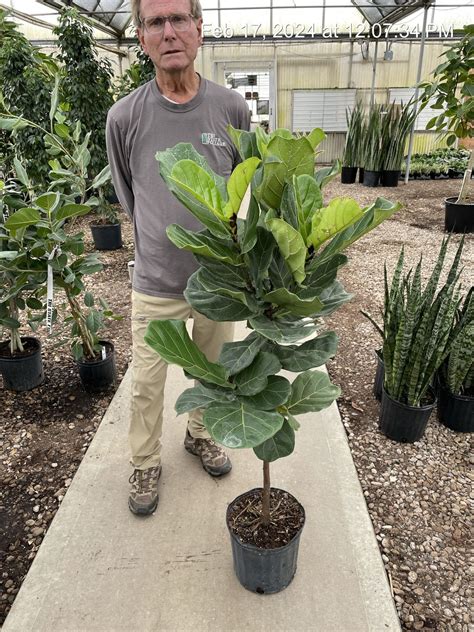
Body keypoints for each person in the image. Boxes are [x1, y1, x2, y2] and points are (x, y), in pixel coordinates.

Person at [106, 0, 251, 516]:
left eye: (179, 19)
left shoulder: (232, 109)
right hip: (156, 282)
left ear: (199, 29)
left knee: (212, 371)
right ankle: (144, 460)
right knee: (147, 383)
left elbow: (240, 189)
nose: (169, 32)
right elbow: (129, 194)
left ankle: (200, 434)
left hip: (216, 281)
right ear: (141, 37)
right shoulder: (124, 116)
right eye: (154, 23)